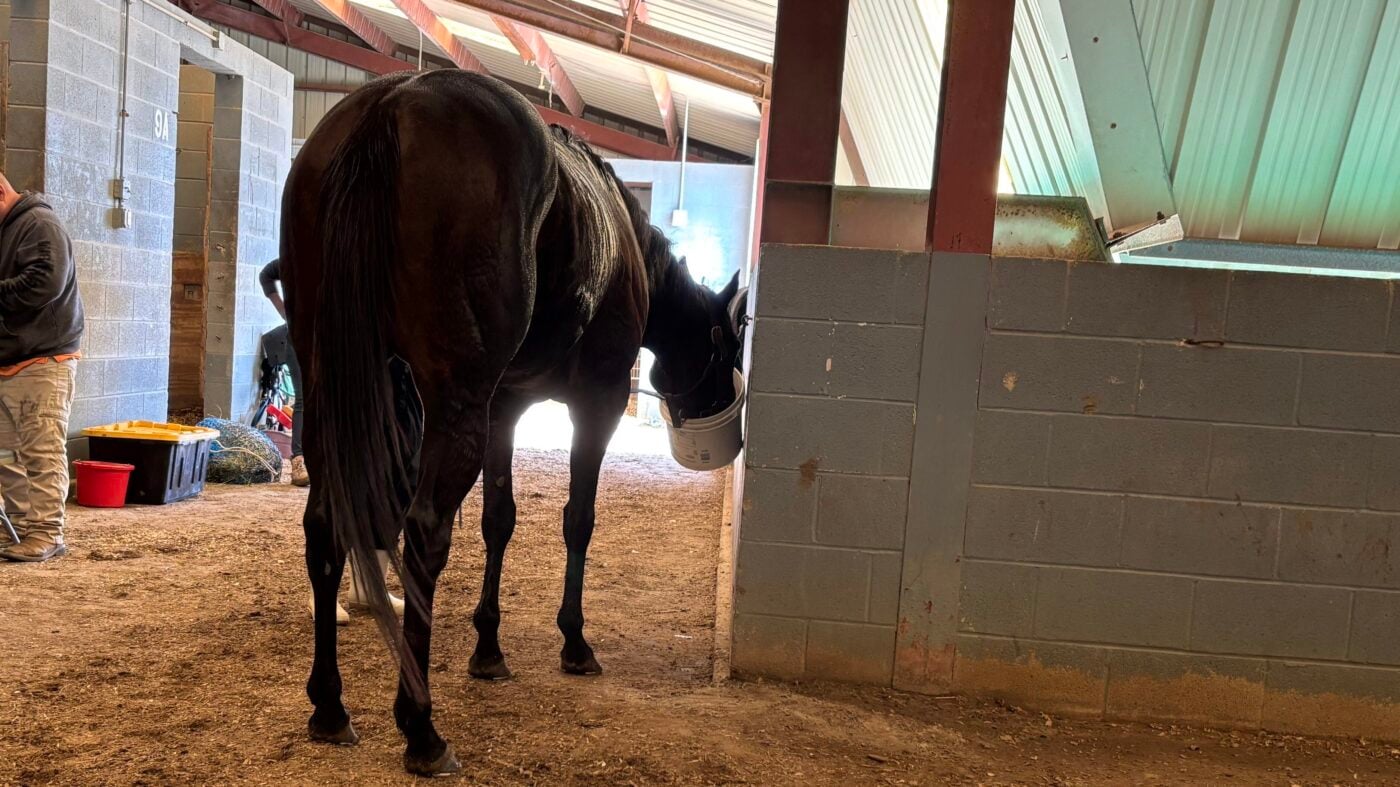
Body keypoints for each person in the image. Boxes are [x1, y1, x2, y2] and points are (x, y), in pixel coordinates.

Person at [259, 258, 403, 623]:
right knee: (334, 482)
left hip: (365, 358)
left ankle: (369, 587)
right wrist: (289, 310)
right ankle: (320, 591)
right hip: (320, 343)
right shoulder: (316, 250)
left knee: (385, 492)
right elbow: (268, 274)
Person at [0, 170, 83, 563]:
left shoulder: (39, 225)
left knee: (40, 450)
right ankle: (17, 528)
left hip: (42, 361)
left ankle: (47, 531)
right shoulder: (10, 229)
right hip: (11, 361)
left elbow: (43, 284)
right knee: (7, 455)